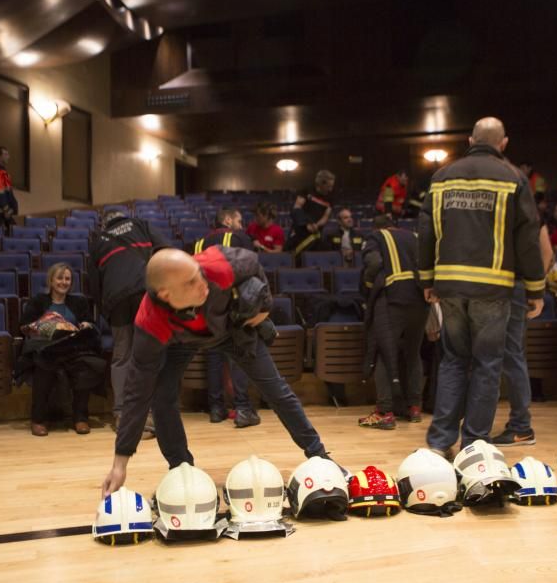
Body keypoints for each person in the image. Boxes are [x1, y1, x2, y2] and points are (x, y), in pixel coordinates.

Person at [100, 247, 334, 497]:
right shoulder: (150, 322)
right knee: (160, 397)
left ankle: (320, 457)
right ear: (166, 294)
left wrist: (264, 308)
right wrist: (120, 463)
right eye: (191, 282)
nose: (203, 284)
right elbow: (137, 393)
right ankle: (181, 470)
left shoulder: (219, 266)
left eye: (199, 274)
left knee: (276, 389)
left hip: (230, 330)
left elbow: (254, 264)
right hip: (180, 341)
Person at [418, 117, 544, 455]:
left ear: (470, 139)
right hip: (494, 286)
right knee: (488, 364)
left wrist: (427, 280)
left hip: (450, 286)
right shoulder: (515, 177)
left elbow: (426, 232)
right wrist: (535, 289)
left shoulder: (442, 176)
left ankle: (440, 442)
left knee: (453, 361)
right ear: (503, 144)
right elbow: (528, 238)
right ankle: (474, 443)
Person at [89, 209, 168, 438]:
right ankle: (149, 415)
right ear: (124, 216)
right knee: (148, 355)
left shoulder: (98, 241)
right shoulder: (141, 224)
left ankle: (123, 415)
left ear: (104, 223)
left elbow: (95, 284)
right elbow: (166, 250)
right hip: (145, 293)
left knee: (122, 356)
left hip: (116, 301)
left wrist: (106, 310)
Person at [357, 215, 427, 429]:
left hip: (393, 299)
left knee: (384, 353)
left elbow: (375, 262)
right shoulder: (414, 236)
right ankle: (414, 407)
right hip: (421, 301)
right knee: (413, 353)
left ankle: (384, 411)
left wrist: (369, 286)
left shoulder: (376, 237)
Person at [193, 208, 259, 428]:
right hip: (233, 305)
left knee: (213, 357)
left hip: (207, 308)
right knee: (236, 356)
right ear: (228, 220)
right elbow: (251, 270)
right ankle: (242, 409)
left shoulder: (198, 243)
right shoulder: (239, 237)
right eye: (239, 220)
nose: (242, 225)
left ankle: (216, 408)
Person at [491, 223, 555, 446]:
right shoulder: (524, 211)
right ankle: (519, 425)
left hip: (511, 287)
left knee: (511, 356)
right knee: (509, 356)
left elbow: (546, 252)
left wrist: (535, 289)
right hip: (509, 287)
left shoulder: (526, 213)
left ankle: (521, 426)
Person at [20, 263, 99, 436]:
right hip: (47, 349)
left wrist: (86, 324)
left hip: (72, 348)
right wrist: (41, 325)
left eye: (67, 279)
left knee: (86, 367)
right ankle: (39, 420)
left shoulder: (78, 302)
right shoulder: (39, 301)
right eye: (60, 278)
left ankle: (80, 418)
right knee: (43, 367)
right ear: (51, 280)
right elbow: (24, 326)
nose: (64, 282)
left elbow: (89, 322)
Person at [285, 169, 334, 256]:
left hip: (315, 233)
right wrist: (307, 224)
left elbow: (325, 216)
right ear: (321, 183)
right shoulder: (307, 190)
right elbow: (297, 208)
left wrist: (316, 225)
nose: (330, 189)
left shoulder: (330, 197)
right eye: (329, 186)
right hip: (301, 230)